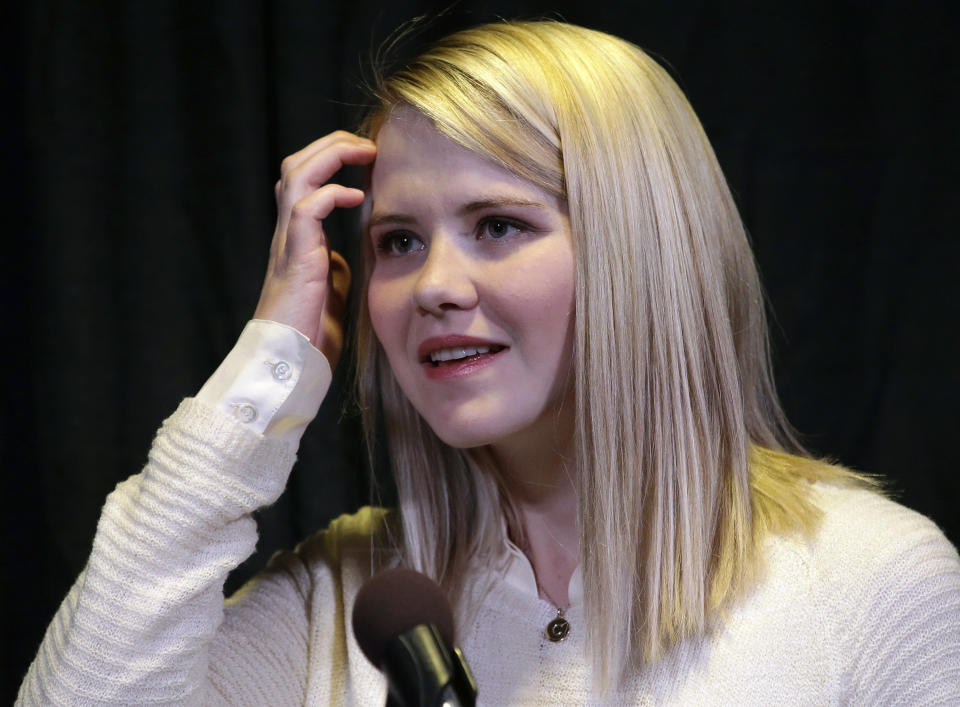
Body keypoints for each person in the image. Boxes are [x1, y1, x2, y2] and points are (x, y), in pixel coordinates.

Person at [17, 20, 960, 705]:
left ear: (642, 250)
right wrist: (267, 368)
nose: (434, 284)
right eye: (396, 241)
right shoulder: (349, 597)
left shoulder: (869, 582)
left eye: (498, 224)